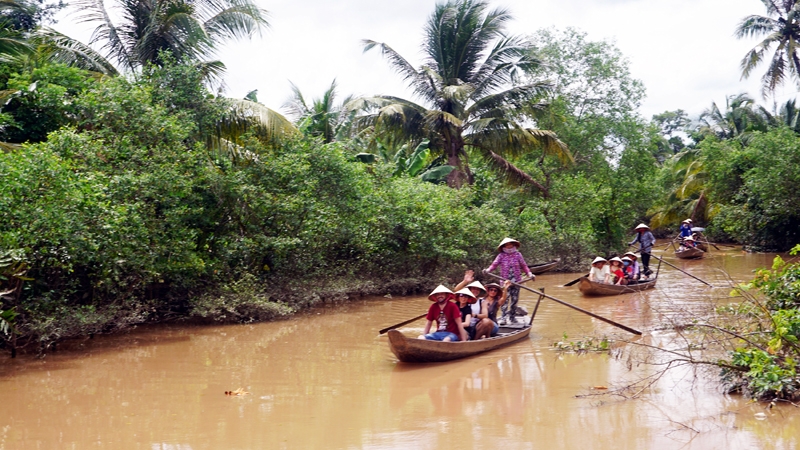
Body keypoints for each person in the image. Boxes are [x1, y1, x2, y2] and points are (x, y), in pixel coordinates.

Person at [484, 238, 535, 324]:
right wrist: (488, 270)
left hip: (517, 282)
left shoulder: (518, 255)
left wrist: (529, 274)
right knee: (504, 300)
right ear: (504, 246)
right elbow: (494, 264)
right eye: (507, 245)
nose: (509, 246)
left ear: (513, 245)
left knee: (514, 300)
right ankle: (503, 318)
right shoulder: (501, 255)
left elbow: (524, 266)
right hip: (505, 282)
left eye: (510, 244)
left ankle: (512, 317)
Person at [454, 270, 496, 339]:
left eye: (477, 289)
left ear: (480, 291)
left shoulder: (482, 301)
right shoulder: (464, 298)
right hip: (463, 324)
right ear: (470, 289)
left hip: (476, 325)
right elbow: (456, 290)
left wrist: (473, 315)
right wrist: (465, 281)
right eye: (473, 288)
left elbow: (485, 315)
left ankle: (475, 340)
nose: (475, 291)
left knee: (487, 321)